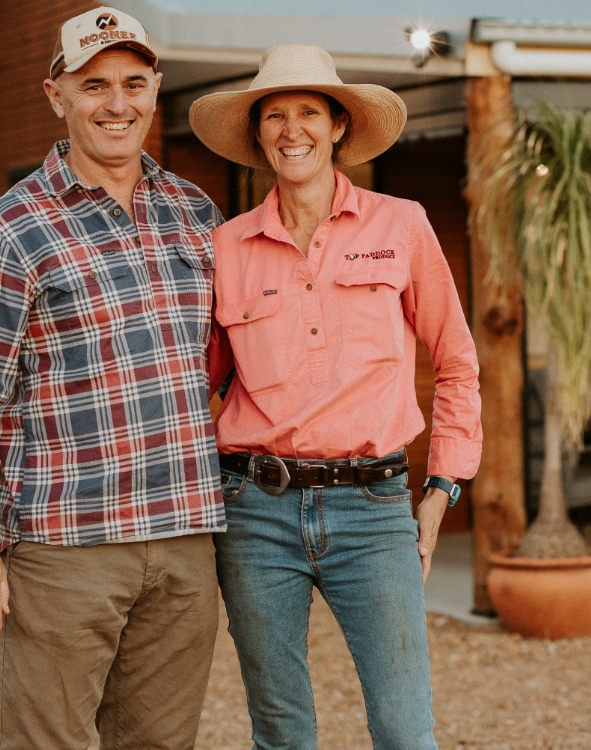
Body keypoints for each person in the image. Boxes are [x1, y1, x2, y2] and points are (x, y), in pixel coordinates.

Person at [0, 6, 225, 750]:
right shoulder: (11, 228)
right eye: (94, 85)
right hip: (67, 547)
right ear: (57, 96)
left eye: (132, 82)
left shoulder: (195, 213)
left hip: (186, 539)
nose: (116, 103)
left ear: (156, 90)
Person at [189, 44, 481, 750]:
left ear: (339, 126)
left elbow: (457, 361)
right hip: (254, 511)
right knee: (283, 731)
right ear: (258, 134)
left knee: (406, 730)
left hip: (374, 509)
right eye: (276, 115)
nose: (294, 130)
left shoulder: (401, 224)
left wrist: (441, 489)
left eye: (309, 113)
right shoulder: (224, 248)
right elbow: (199, 384)